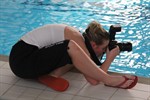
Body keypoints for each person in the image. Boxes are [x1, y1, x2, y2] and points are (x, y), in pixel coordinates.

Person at [9, 21, 138, 91]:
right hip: (22, 60)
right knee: (70, 46)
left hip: (26, 59)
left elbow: (87, 67)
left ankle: (51, 75)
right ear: (93, 45)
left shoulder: (79, 38)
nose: (104, 52)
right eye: (103, 49)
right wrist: (110, 58)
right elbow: (94, 80)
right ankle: (111, 80)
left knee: (75, 58)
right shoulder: (75, 38)